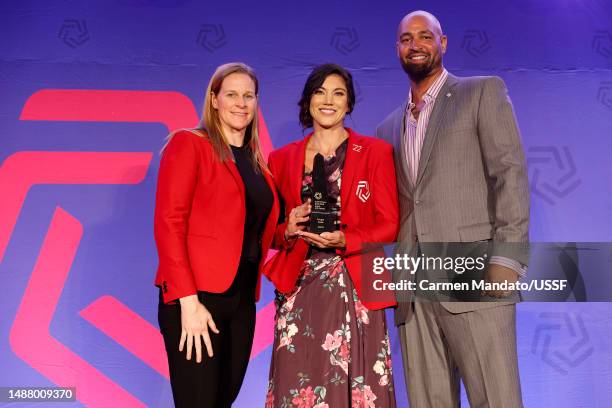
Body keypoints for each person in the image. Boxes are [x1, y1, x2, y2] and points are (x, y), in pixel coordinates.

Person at [375, 10, 530, 408]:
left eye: (425, 37)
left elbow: (508, 175)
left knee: (495, 399)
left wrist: (507, 261)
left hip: (475, 275)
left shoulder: (480, 92)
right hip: (415, 288)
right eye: (406, 39)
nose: (416, 45)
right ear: (397, 49)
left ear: (442, 44)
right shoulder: (388, 128)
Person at [264, 63, 399, 408]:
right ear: (308, 101)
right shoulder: (280, 159)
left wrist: (346, 240)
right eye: (320, 92)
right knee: (298, 384)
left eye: (338, 93)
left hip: (355, 283)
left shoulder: (375, 152)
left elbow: (389, 224)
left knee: (358, 385)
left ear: (349, 104)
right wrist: (289, 228)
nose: (328, 100)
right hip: (300, 287)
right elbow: (272, 234)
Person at [154, 62, 280, 407]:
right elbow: (169, 223)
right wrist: (188, 303)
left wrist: (293, 226)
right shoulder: (189, 144)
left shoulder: (258, 165)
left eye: (249, 96)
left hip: (241, 302)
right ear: (214, 100)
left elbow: (256, 229)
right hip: (197, 300)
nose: (241, 103)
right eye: (232, 94)